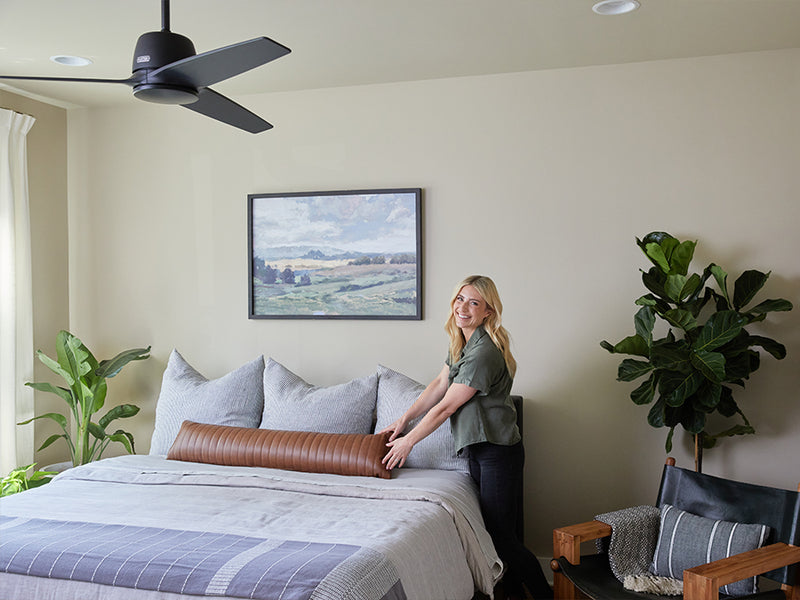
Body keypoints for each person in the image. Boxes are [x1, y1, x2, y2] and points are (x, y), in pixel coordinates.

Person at [380, 275, 553, 600]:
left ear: (488, 311)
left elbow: (446, 406)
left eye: (474, 302)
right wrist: (403, 419)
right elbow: (438, 385)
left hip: (498, 452)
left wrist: (409, 440)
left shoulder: (483, 353)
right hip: (479, 449)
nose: (463, 307)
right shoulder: (462, 343)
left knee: (504, 539)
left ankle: (545, 596)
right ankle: (515, 595)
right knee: (497, 535)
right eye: (460, 299)